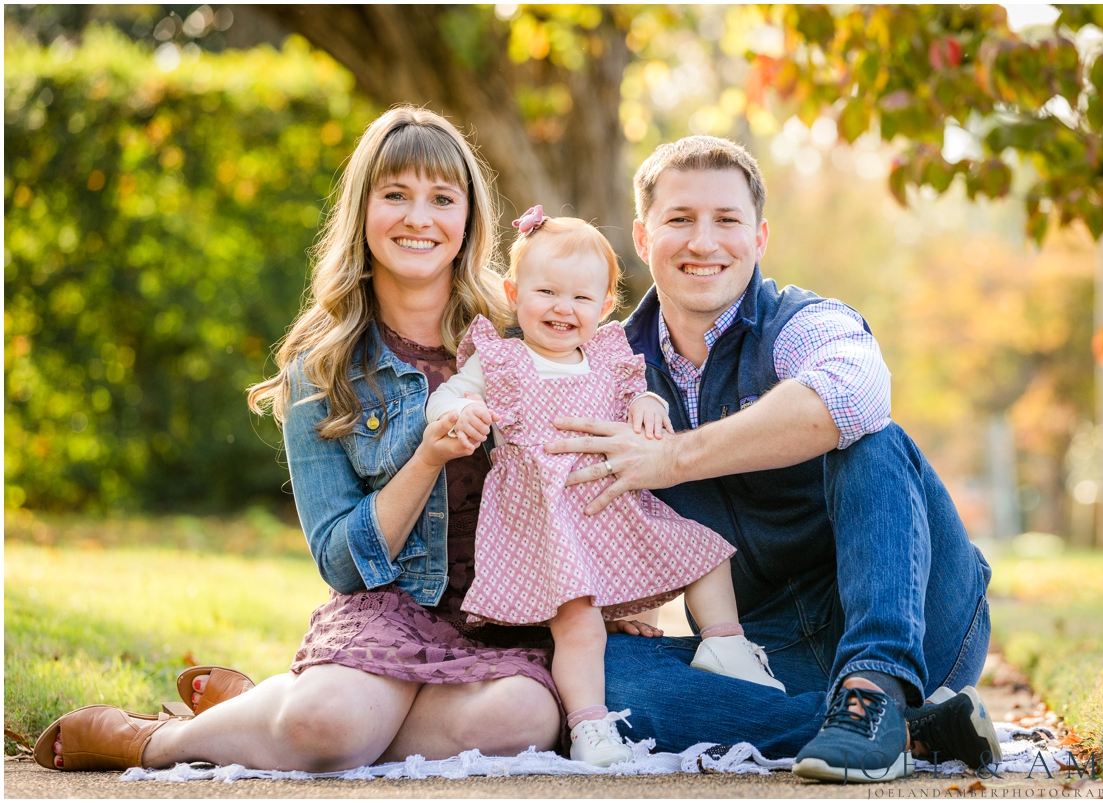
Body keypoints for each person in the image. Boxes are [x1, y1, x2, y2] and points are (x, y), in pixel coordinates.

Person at [34, 106, 565, 773]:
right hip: (389, 611)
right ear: (362, 211)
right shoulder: (323, 368)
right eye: (394, 195)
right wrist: (427, 454)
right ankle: (153, 739)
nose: (418, 218)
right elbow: (342, 563)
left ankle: (262, 714)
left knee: (528, 720)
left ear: (468, 219)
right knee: (329, 725)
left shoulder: (519, 337)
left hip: (499, 621)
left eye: (441, 198)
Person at [542, 136, 1002, 782]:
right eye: (680, 220)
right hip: (764, 650)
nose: (704, 242)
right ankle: (901, 730)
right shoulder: (607, 364)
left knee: (870, 435)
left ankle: (876, 686)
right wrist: (608, 597)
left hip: (921, 617)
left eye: (726, 220)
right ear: (644, 240)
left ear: (758, 239)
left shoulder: (801, 322)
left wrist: (672, 458)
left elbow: (854, 394)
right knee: (600, 676)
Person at [425, 209, 784, 766]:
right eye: (546, 292)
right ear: (515, 293)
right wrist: (464, 410)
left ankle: (725, 643)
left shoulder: (608, 359)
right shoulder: (502, 360)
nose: (562, 309)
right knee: (581, 627)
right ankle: (591, 727)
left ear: (604, 307)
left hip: (608, 510)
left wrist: (647, 403)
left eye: (580, 299)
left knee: (706, 553)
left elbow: (640, 397)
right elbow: (445, 398)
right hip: (543, 522)